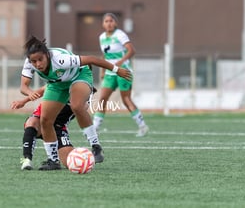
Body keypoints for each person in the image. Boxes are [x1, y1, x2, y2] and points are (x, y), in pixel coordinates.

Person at [21, 35, 132, 170]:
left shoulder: (60, 60)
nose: (38, 64)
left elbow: (92, 59)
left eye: (40, 59)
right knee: (45, 120)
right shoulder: (29, 63)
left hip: (79, 76)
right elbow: (23, 87)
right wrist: (29, 94)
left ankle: (96, 146)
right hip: (57, 85)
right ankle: (53, 161)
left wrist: (116, 70)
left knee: (76, 105)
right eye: (34, 61)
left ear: (47, 55)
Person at [92, 13, 149, 137]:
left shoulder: (120, 34)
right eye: (106, 21)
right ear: (103, 24)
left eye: (111, 21)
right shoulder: (101, 37)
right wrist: (102, 70)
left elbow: (132, 50)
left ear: (116, 23)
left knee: (126, 99)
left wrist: (120, 62)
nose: (109, 23)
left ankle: (142, 126)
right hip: (109, 72)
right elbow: (104, 55)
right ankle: (95, 128)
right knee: (102, 99)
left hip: (123, 71)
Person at [11, 98, 75, 170]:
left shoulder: (82, 94)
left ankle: (55, 161)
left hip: (59, 128)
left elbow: (82, 108)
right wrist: (24, 101)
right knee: (32, 122)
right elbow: (40, 90)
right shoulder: (58, 88)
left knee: (72, 162)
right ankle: (27, 159)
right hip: (42, 121)